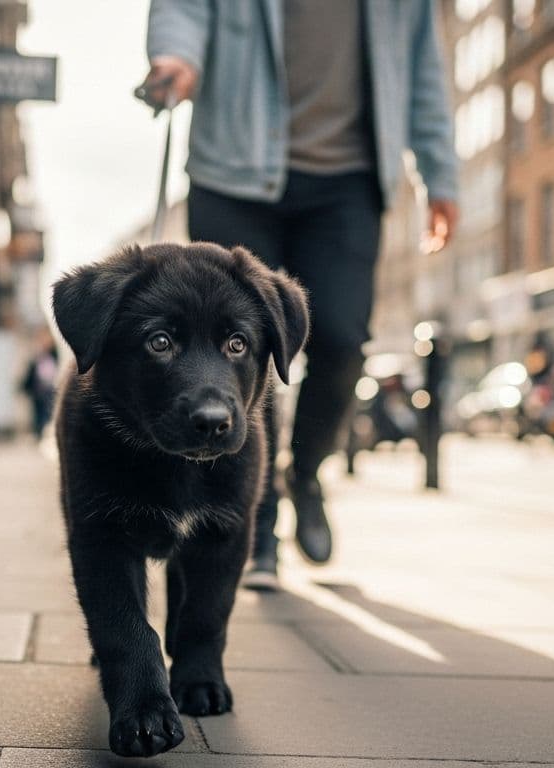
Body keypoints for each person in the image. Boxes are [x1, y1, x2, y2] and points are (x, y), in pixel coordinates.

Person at [141, 0, 458, 589]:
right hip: (233, 170)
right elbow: (183, 10)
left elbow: (423, 73)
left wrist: (439, 173)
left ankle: (306, 473)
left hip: (348, 181)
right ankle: (255, 525)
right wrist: (175, 59)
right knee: (238, 349)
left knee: (340, 338)